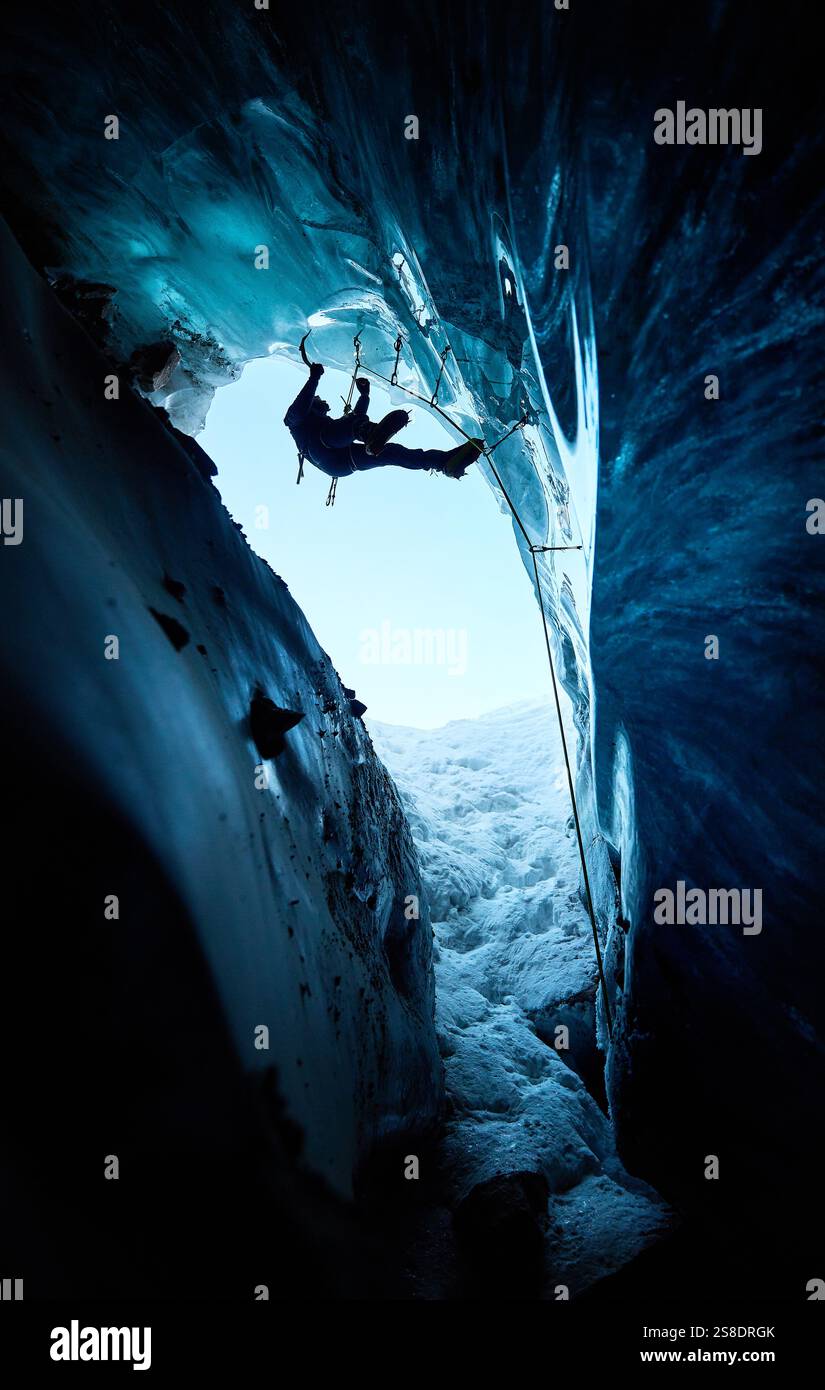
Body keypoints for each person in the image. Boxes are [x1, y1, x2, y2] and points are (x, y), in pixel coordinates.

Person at [284, 363, 482, 482]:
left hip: (340, 463)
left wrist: (365, 396)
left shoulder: (325, 425)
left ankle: (444, 463)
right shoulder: (295, 420)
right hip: (322, 450)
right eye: (317, 398)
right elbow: (301, 407)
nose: (322, 400)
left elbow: (353, 421)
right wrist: (314, 378)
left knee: (392, 453)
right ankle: (370, 436)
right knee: (344, 429)